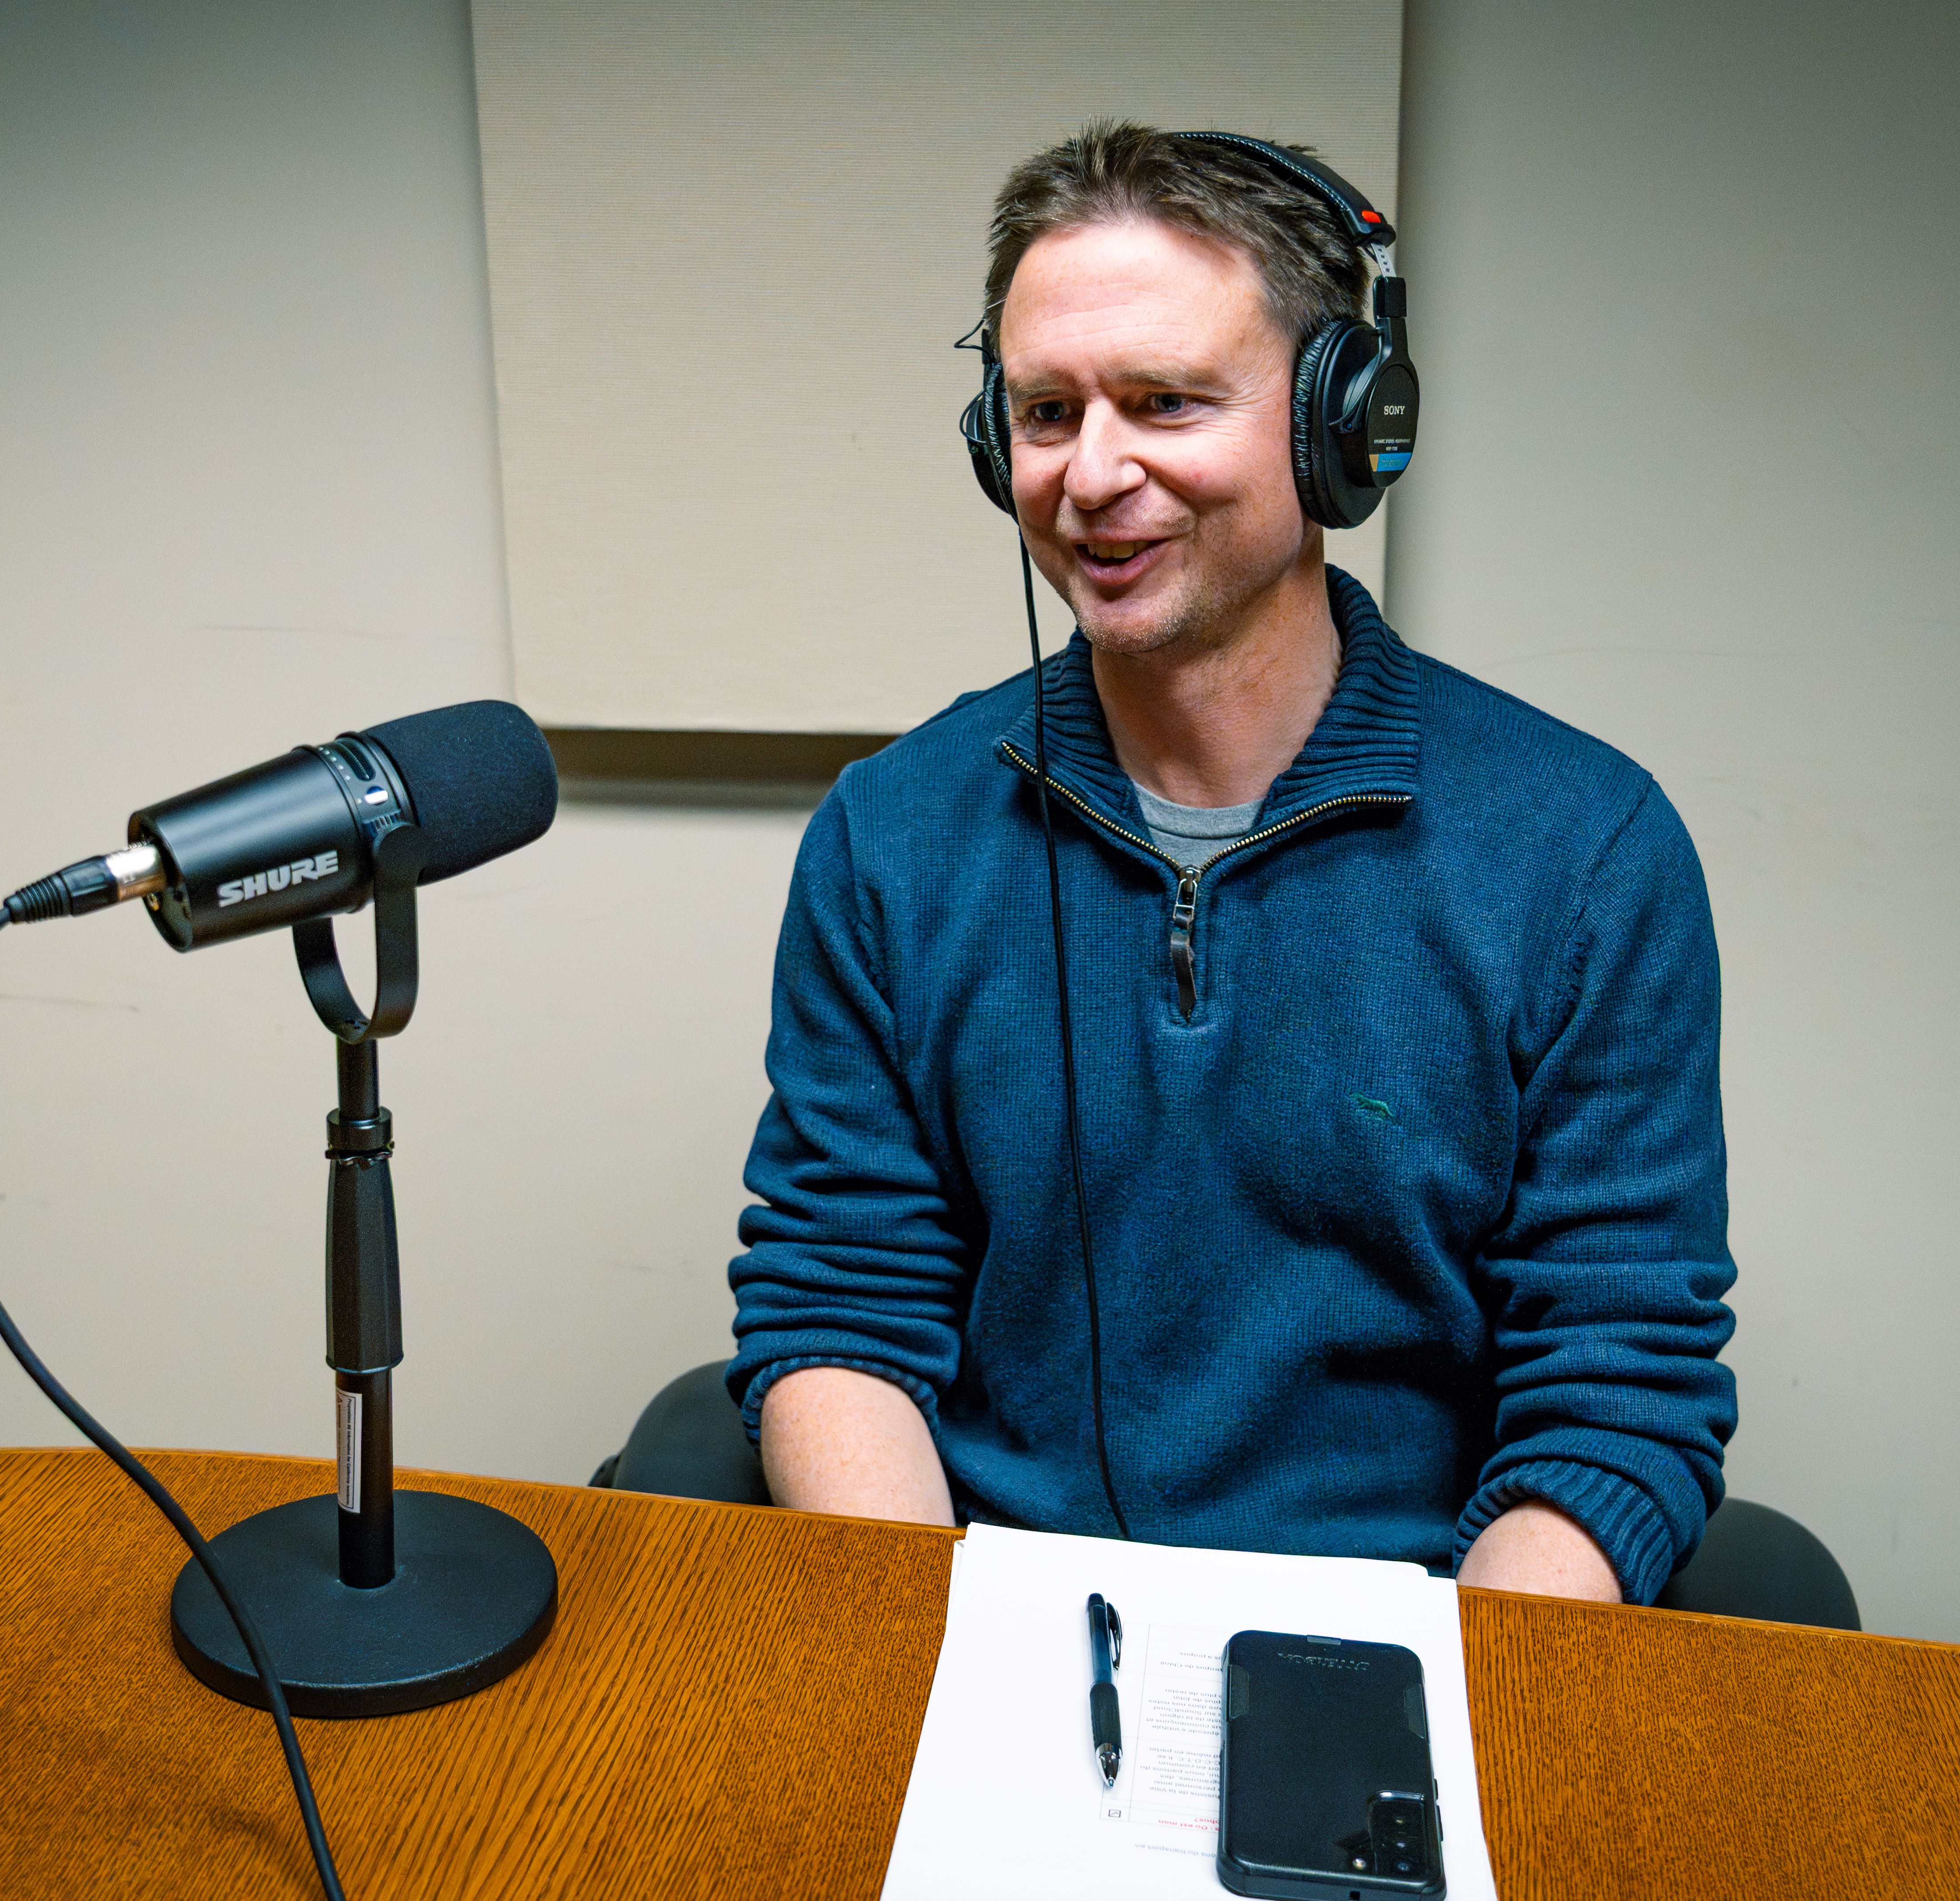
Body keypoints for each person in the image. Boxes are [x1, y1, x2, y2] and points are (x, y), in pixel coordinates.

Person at [724, 123, 1735, 1603]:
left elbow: (1614, 1390)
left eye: (1165, 403)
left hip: (1403, 1635)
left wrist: (1423, 1713)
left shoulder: (1584, 854)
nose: (1092, 474)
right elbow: (835, 1302)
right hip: (989, 1616)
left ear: (1343, 425)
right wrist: (935, 1657)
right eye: (1046, 412)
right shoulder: (893, 831)